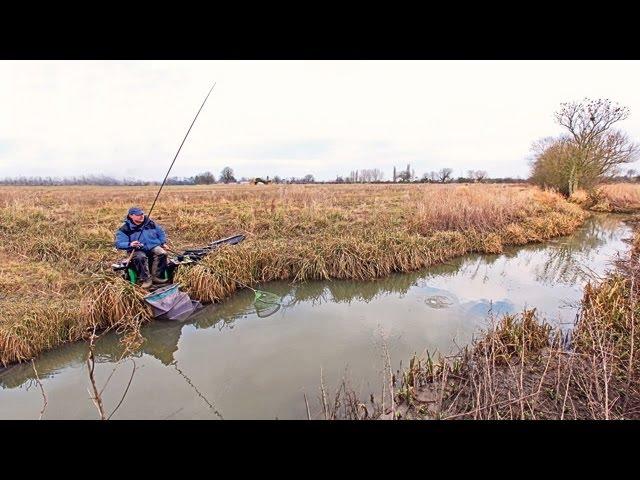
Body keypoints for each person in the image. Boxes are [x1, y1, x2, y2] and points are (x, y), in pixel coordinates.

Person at [115, 206, 169, 288]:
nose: (141, 216)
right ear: (131, 216)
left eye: (142, 214)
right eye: (138, 215)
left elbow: (161, 233)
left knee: (162, 253)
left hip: (152, 246)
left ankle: (156, 277)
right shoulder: (124, 229)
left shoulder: (150, 223)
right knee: (140, 257)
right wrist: (130, 244)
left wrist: (162, 243)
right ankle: (146, 279)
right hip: (137, 249)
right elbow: (119, 243)